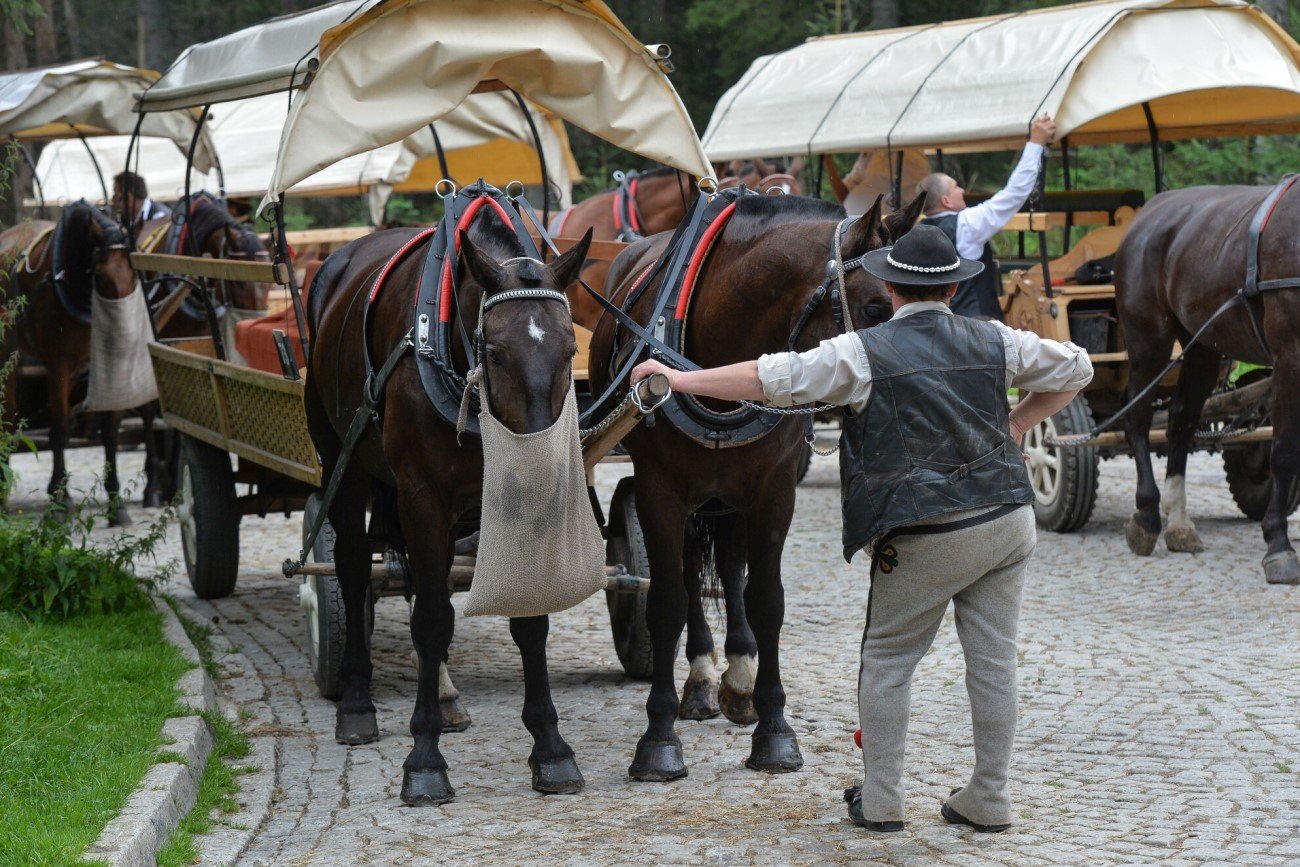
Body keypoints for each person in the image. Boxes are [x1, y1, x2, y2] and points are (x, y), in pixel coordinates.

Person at [629, 224, 1092, 834]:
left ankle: (882, 799)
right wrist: (1018, 421)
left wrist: (681, 380)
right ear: (953, 290)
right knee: (994, 663)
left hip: (924, 534)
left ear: (892, 288)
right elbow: (1078, 367)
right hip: (1007, 520)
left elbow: (770, 377)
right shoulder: (995, 338)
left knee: (889, 661)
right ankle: (990, 796)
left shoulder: (861, 352)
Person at [916, 113, 1057, 320]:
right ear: (946, 201)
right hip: (978, 325)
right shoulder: (966, 224)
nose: (962, 190)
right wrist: (1035, 143)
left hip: (937, 326)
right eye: (955, 187)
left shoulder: (917, 234)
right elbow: (1014, 194)